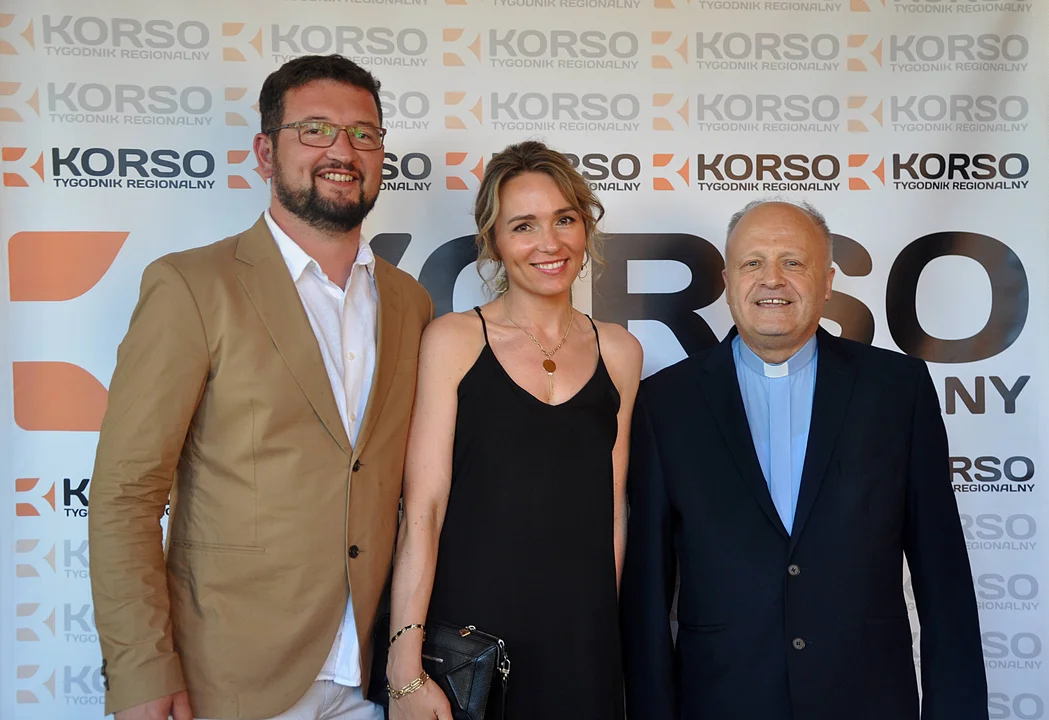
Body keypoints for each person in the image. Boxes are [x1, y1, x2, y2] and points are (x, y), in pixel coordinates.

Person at [88, 54, 432, 720]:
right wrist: (140, 671)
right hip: (229, 679)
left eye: (363, 133)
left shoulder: (409, 301)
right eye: (315, 130)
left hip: (371, 677)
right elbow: (126, 494)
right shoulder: (192, 287)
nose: (342, 150)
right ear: (266, 152)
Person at [621, 199, 987, 720]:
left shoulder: (897, 390)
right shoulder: (666, 402)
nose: (771, 279)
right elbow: (648, 593)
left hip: (868, 700)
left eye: (793, 262)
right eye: (752, 263)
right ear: (727, 281)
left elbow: (943, 575)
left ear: (828, 281)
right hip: (721, 699)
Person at [383, 141, 642, 719]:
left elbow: (613, 511)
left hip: (582, 645)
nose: (549, 243)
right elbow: (423, 511)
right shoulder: (453, 340)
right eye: (523, 226)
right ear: (494, 241)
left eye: (564, 219)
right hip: (471, 647)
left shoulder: (620, 351)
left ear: (585, 228)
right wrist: (404, 667)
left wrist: (603, 638)